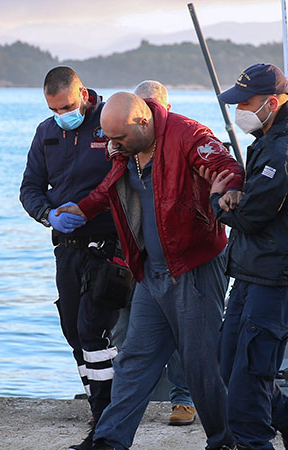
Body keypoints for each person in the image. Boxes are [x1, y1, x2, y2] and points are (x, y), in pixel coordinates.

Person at [56, 92, 244, 450]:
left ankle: (224, 441)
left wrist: (228, 190)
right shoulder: (126, 146)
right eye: (109, 139)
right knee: (134, 359)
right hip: (152, 271)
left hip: (194, 268)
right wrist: (83, 209)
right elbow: (112, 185)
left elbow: (229, 168)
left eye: (119, 139)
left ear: (142, 122)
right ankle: (109, 440)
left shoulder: (188, 135)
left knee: (201, 365)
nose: (112, 146)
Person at [211, 63, 288, 450]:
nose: (239, 109)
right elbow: (253, 205)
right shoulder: (267, 138)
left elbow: (250, 216)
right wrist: (237, 197)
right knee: (231, 365)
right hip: (251, 268)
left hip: (278, 272)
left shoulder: (283, 152)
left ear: (272, 103)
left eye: (246, 102)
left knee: (249, 375)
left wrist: (217, 199)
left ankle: (255, 442)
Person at [19, 66, 120, 450]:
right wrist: (48, 214)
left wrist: (93, 211)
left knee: (94, 330)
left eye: (67, 106)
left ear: (81, 92)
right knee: (73, 330)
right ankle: (99, 408)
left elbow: (128, 178)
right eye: (54, 108)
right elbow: (29, 188)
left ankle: (107, 424)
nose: (63, 114)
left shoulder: (109, 120)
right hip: (67, 247)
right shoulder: (47, 132)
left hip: (110, 244)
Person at [111, 79, 196, 427]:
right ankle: (123, 409)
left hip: (174, 262)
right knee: (124, 335)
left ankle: (184, 399)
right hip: (132, 255)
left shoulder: (184, 142)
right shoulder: (126, 149)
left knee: (180, 336)